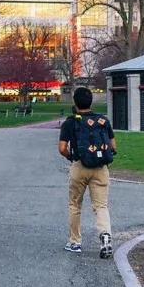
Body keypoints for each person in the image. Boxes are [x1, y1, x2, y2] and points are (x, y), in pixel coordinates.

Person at [58, 87, 116, 259]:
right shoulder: (103, 121)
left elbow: (62, 148)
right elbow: (113, 146)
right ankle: (105, 235)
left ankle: (75, 241)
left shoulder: (71, 122)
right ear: (91, 101)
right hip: (100, 168)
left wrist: (71, 157)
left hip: (80, 165)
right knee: (101, 205)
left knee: (75, 204)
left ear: (74, 102)